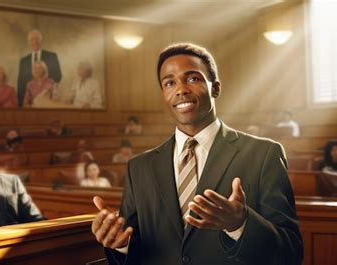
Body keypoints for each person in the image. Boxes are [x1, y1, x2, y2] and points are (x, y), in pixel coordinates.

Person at [91, 43, 302, 264]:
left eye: (193, 78)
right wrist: (120, 245)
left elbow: (291, 252)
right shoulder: (139, 168)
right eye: (170, 82)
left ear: (216, 88)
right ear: (163, 93)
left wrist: (240, 224)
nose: (181, 89)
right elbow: (136, 254)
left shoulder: (264, 154)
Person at [17, 29, 61, 107]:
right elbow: (21, 83)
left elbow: (58, 76)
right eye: (31, 40)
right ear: (28, 42)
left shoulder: (52, 56)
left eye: (37, 39)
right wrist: (21, 104)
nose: (34, 41)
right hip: (29, 104)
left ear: (41, 40)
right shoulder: (23, 61)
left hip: (48, 101)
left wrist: (46, 88)